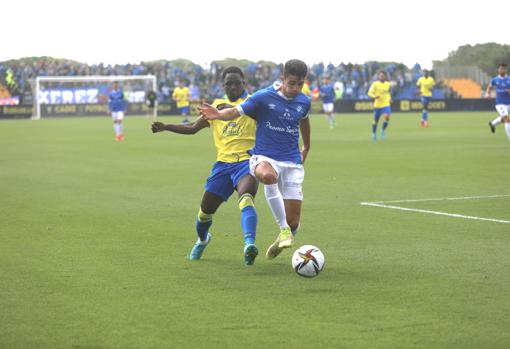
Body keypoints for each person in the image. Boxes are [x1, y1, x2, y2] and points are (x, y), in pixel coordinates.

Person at [200, 59, 311, 260]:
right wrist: (217, 114)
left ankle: (283, 237)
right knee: (267, 176)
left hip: (291, 161)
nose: (295, 88)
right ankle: (284, 229)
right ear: (283, 79)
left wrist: (307, 146)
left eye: (300, 84)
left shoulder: (304, 101)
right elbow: (235, 111)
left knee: (295, 222)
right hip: (264, 156)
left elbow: (304, 120)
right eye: (291, 83)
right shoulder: (263, 97)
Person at [151, 66, 260, 265]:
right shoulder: (215, 106)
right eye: (229, 83)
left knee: (246, 200)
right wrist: (166, 127)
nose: (234, 86)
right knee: (204, 213)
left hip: (247, 162)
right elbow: (192, 128)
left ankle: (249, 246)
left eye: (237, 82)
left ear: (244, 83)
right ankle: (203, 240)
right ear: (223, 85)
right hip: (223, 166)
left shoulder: (254, 102)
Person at [487, 63, 510, 140]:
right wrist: (488, 94)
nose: (502, 70)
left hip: (509, 103)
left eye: (503, 69)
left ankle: (493, 124)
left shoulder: (509, 79)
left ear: (506, 70)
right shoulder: (495, 80)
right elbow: (489, 86)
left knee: (503, 118)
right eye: (500, 69)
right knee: (507, 119)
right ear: (498, 70)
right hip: (500, 103)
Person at [368, 71, 391, 143]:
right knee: (376, 121)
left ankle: (382, 130)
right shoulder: (375, 84)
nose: (382, 77)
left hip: (386, 104)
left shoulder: (388, 84)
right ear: (378, 77)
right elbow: (369, 93)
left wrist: (390, 98)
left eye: (383, 76)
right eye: (380, 76)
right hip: (377, 105)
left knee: (387, 116)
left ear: (385, 77)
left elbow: (388, 93)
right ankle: (374, 134)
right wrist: (374, 96)